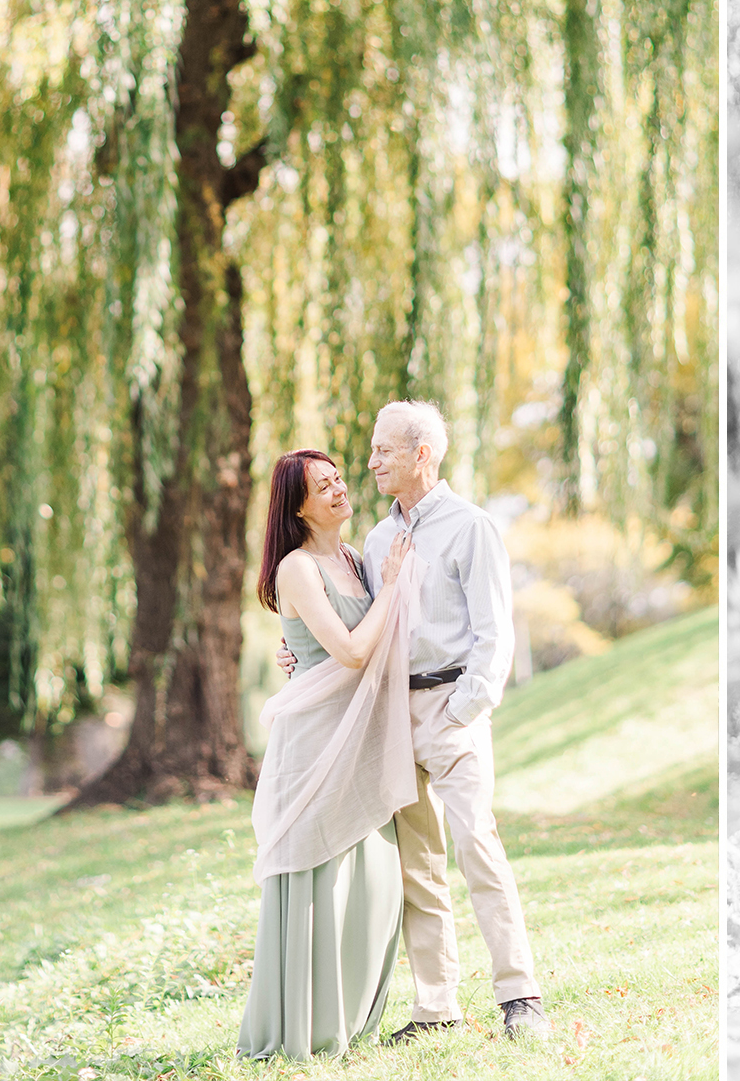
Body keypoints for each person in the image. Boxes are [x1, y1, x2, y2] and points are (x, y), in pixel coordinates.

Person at [278, 400, 551, 1042]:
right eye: (372, 451)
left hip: (452, 710)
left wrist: (463, 710)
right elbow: (361, 631)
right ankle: (437, 1007)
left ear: (421, 454)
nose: (370, 462)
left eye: (384, 451)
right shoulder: (375, 541)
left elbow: (494, 633)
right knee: (417, 865)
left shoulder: (470, 527)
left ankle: (519, 995)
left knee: (477, 846)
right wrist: (299, 650)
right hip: (392, 716)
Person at [239, 449, 420, 1060]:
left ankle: (353, 1017)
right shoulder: (297, 567)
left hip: (360, 738)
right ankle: (306, 1028)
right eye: (324, 485)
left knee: (372, 879)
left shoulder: (350, 557)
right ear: (297, 506)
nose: (341, 489)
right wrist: (391, 589)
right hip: (316, 744)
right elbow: (347, 651)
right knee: (319, 877)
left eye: (340, 477)